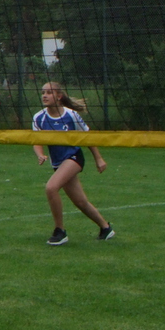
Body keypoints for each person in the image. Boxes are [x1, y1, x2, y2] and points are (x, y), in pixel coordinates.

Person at [32, 81, 115, 246]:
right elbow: (36, 140)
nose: (45, 96)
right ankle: (105, 228)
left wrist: (98, 158)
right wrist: (40, 154)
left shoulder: (71, 115)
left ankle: (60, 231)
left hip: (74, 157)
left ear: (59, 96)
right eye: (43, 93)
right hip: (58, 162)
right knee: (80, 202)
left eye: (49, 92)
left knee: (51, 187)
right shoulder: (39, 117)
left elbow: (87, 137)